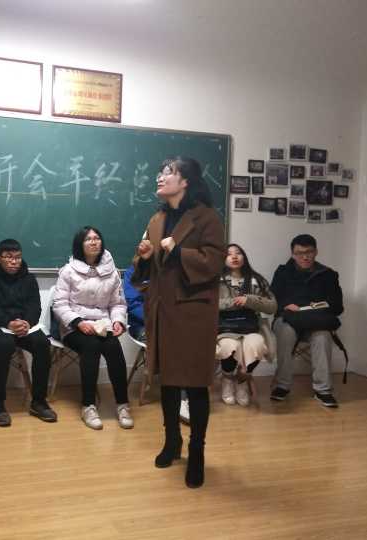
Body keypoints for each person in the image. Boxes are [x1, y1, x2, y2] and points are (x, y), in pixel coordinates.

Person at [132, 156, 225, 488]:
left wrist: (179, 250)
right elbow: (145, 266)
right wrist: (144, 258)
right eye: (160, 172)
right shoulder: (157, 219)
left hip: (193, 313)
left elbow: (214, 262)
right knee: (168, 382)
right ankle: (172, 441)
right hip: (162, 310)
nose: (160, 177)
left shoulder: (207, 217)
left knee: (195, 385)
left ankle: (197, 451)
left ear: (185, 181)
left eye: (168, 172)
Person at [53, 226, 133, 431]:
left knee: (113, 347)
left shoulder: (112, 272)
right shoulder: (68, 271)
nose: (94, 242)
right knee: (91, 346)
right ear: (80, 244)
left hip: (102, 325)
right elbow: (59, 304)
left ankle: (123, 405)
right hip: (73, 327)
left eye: (97, 238)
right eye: (88, 239)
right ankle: (88, 406)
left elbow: (118, 303)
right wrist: (78, 322)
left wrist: (118, 321)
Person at [0, 239, 57, 427]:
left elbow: (35, 307)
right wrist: (8, 322)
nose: (14, 261)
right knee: (4, 344)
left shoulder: (29, 279)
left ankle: (39, 402)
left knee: (42, 344)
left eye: (18, 257)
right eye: (8, 257)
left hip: (23, 325)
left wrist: (27, 322)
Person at [270, 234, 343, 407]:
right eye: (299, 253)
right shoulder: (282, 272)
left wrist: (318, 307)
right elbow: (272, 301)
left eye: (309, 252)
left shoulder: (328, 274)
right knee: (286, 332)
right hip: (289, 319)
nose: (305, 257)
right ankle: (282, 385)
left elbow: (338, 306)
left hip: (317, 321)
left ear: (316, 252)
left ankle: (323, 390)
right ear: (292, 254)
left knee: (323, 336)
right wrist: (285, 306)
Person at [123, 265, 190, 424]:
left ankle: (185, 395)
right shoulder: (133, 272)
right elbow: (132, 304)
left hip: (171, 324)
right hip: (143, 325)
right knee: (172, 344)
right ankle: (181, 398)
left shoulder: (172, 270)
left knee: (187, 341)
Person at [217, 244, 276, 407]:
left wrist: (250, 300)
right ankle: (227, 379)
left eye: (238, 253)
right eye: (229, 254)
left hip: (250, 327)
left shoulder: (257, 280)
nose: (234, 256)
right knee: (229, 346)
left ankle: (242, 379)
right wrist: (234, 303)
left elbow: (272, 306)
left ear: (244, 257)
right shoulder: (217, 280)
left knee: (257, 344)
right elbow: (209, 305)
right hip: (225, 328)